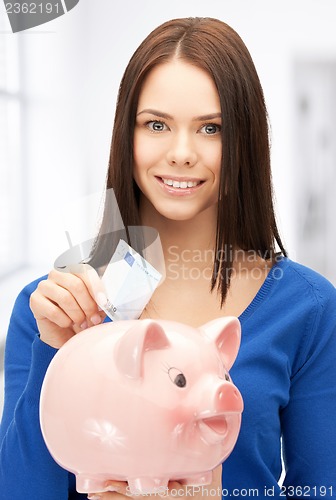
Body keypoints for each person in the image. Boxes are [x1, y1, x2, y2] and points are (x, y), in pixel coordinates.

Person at [0, 16, 335, 500]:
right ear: (126, 134)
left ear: (246, 141)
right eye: (156, 124)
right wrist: (53, 351)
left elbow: (322, 490)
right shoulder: (50, 309)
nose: (181, 152)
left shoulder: (309, 310)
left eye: (211, 128)